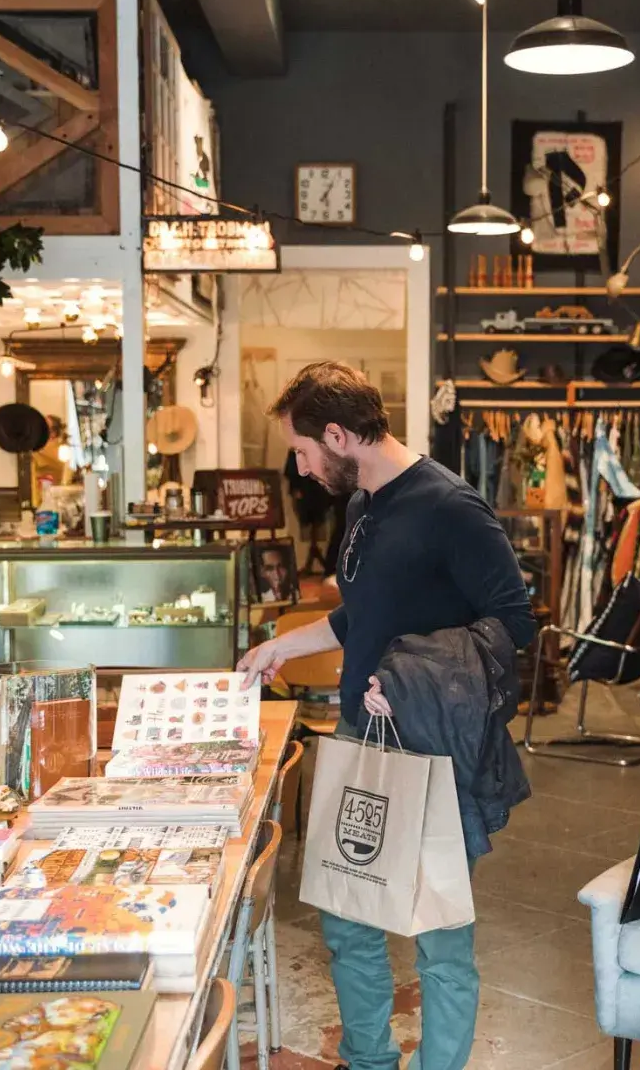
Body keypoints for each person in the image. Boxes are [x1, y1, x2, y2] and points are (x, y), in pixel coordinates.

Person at [240, 362, 535, 1070]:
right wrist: (284, 644)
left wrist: (410, 680)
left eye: (305, 452)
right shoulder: (362, 503)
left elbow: (515, 624)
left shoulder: (451, 508)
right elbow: (363, 614)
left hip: (432, 747)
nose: (303, 470)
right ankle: (370, 1061)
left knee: (439, 935)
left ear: (339, 435)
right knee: (347, 918)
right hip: (360, 738)